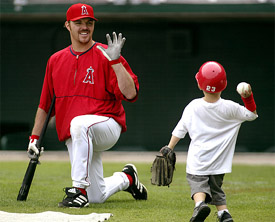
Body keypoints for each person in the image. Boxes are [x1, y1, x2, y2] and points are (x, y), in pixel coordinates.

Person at [27, 3, 147, 208]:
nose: (85, 27)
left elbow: (131, 93)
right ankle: (127, 178)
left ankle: (78, 192)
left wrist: (116, 62)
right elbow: (45, 105)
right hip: (77, 134)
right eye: (79, 22)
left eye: (89, 22)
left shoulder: (105, 53)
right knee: (97, 196)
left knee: (80, 124)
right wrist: (34, 138)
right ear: (67, 25)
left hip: (107, 124)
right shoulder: (55, 60)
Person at [163, 61, 258, 222]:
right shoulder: (230, 107)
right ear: (224, 84)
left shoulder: (193, 106)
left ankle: (200, 204)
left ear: (200, 84)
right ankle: (224, 213)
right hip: (220, 162)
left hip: (198, 160)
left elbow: (180, 129)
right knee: (216, 189)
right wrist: (247, 97)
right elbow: (252, 115)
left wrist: (169, 147)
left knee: (197, 184)